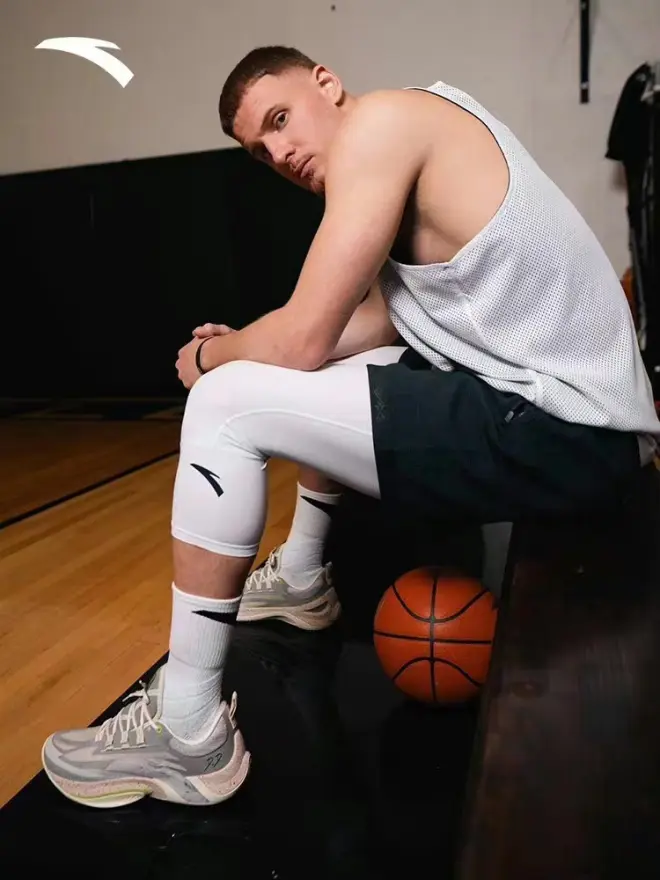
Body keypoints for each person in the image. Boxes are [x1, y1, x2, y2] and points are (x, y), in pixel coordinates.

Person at [41, 45, 660, 809]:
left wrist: (210, 358)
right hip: (582, 429)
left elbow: (303, 337)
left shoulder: (382, 125)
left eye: (279, 120)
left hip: (570, 433)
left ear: (327, 84)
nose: (279, 154)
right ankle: (301, 578)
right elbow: (367, 326)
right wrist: (246, 346)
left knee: (223, 403)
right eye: (259, 151)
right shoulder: (410, 133)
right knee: (296, 376)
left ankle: (189, 731)